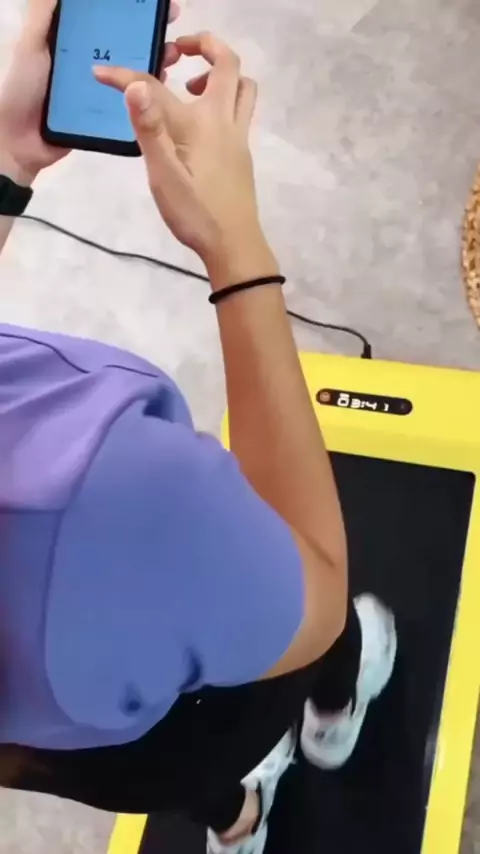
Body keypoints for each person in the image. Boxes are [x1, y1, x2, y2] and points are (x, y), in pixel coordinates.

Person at [0, 2, 397, 853]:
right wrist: (235, 245)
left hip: (85, 751)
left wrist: (10, 158)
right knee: (316, 632)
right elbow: (316, 591)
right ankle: (335, 704)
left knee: (176, 778)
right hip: (221, 650)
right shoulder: (99, 500)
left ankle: (238, 823)